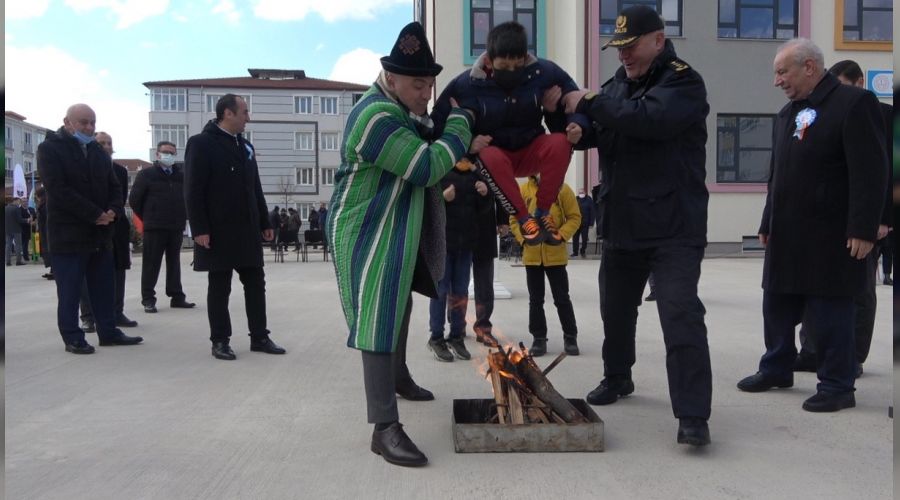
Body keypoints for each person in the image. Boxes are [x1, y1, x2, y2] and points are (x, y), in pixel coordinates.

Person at [562, 5, 712, 446]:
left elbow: (648, 121)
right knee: (616, 310)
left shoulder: (682, 82)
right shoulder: (616, 87)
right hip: (624, 222)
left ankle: (692, 415)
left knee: (680, 315)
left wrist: (591, 103)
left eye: (631, 46)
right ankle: (617, 376)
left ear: (658, 41)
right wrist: (577, 127)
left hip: (673, 226)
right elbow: (601, 127)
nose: (623, 54)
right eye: (619, 47)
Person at [327, 22, 473, 467]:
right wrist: (461, 126)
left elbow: (426, 135)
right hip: (365, 227)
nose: (426, 94)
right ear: (390, 78)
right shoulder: (376, 116)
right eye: (417, 85)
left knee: (401, 303)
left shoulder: (401, 110)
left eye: (429, 85)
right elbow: (426, 166)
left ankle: (399, 376)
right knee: (378, 313)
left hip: (394, 224)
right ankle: (384, 427)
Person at [736, 40, 887, 413]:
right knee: (776, 303)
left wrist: (864, 227)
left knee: (831, 312)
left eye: (782, 72)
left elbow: (871, 171)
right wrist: (767, 220)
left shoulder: (855, 104)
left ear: (809, 67)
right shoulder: (788, 113)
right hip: (787, 232)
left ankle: (837, 385)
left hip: (831, 234)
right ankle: (776, 367)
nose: (777, 81)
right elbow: (778, 175)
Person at [431, 20, 589, 247]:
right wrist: (467, 144)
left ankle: (542, 212)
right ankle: (524, 220)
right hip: (496, 157)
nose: (512, 72)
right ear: (489, 61)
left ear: (525, 58)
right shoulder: (466, 85)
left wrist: (576, 124)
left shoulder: (543, 72)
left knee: (559, 143)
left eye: (518, 65)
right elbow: (437, 124)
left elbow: (574, 97)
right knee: (488, 154)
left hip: (531, 148)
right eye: (504, 66)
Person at [793, 59, 893, 376]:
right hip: (827, 217)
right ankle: (811, 350)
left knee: (860, 290)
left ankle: (854, 355)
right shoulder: (820, 113)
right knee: (815, 284)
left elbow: (886, 171)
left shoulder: (884, 115)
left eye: (843, 86)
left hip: (865, 219)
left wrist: (882, 218)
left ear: (859, 82)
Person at [184, 94, 286, 361]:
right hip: (217, 231)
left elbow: (255, 187)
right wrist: (199, 228)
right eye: (244, 112)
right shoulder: (201, 143)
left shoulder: (246, 146)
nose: (248, 118)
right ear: (228, 113)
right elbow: (193, 190)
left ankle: (260, 336)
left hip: (247, 229)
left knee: (256, 283)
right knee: (220, 286)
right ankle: (220, 340)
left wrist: (264, 221)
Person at [36, 103, 143, 354]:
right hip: (68, 234)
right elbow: (58, 189)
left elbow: (115, 186)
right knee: (70, 290)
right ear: (67, 122)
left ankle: (109, 332)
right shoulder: (49, 149)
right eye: (83, 122)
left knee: (104, 287)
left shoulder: (97, 151)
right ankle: (73, 337)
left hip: (100, 234)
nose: (89, 127)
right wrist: (95, 214)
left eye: (92, 122)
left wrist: (113, 211)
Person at [509, 176, 581, 356]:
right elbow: (514, 219)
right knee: (535, 300)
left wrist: (560, 235)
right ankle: (539, 338)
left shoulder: (562, 189)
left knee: (562, 298)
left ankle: (570, 336)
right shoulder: (524, 190)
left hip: (556, 256)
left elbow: (574, 217)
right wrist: (523, 240)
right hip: (532, 256)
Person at [426, 163, 487, 362]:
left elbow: (484, 210)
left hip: (466, 244)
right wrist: (442, 198)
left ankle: (456, 336)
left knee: (461, 292)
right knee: (440, 291)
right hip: (443, 244)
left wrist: (484, 194)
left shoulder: (476, 174)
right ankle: (436, 338)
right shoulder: (440, 170)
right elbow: (426, 204)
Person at [79, 132, 139, 330]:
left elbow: (120, 197)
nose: (106, 146)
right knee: (88, 272)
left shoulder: (120, 171)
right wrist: (96, 215)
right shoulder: (82, 168)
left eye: (109, 143)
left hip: (116, 225)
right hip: (90, 225)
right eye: (101, 143)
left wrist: (112, 212)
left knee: (118, 270)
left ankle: (117, 312)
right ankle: (88, 316)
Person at [130, 140, 195, 313]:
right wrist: (149, 215)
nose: (169, 155)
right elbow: (135, 200)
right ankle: (148, 299)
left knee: (174, 263)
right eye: (165, 152)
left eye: (172, 153)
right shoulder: (146, 175)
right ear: (158, 154)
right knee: (151, 264)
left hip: (175, 226)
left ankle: (177, 296)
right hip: (154, 226)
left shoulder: (180, 176)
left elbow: (188, 198)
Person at [471, 187, 507, 348]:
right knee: (456, 283)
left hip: (485, 229)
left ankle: (483, 327)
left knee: (485, 284)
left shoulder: (490, 171)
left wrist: (503, 219)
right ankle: (456, 326)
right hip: (457, 229)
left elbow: (501, 188)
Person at [35, 186, 53, 279]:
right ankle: (52, 270)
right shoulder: (44, 204)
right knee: (47, 251)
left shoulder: (45, 204)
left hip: (47, 231)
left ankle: (54, 271)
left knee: (49, 251)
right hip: (45, 231)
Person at [571, 188, 594, 257]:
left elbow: (592, 211)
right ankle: (575, 252)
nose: (581, 194)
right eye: (580, 193)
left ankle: (583, 251)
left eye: (582, 192)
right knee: (575, 238)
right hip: (576, 223)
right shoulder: (575, 199)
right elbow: (571, 210)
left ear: (585, 193)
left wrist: (591, 223)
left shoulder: (589, 199)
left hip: (585, 223)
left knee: (584, 238)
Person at [5, 197, 27, 266]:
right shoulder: (16, 208)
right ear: (14, 201)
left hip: (7, 229)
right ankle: (18, 261)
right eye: (18, 201)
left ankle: (8, 261)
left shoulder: (5, 208)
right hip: (16, 230)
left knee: (8, 245)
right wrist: (27, 220)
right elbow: (19, 220)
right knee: (18, 245)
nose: (19, 203)